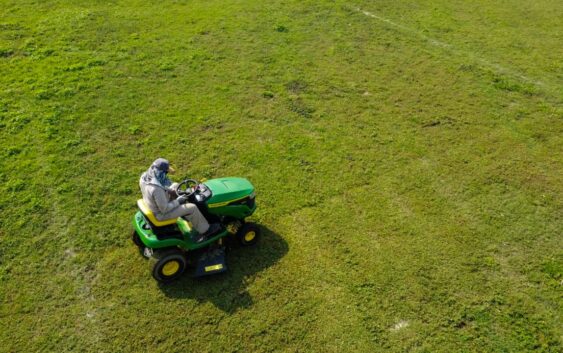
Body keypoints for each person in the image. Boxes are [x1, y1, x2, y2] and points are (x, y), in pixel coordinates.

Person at [139, 158, 221, 243]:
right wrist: (178, 201)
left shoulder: (144, 176)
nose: (167, 174)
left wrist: (173, 191)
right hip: (161, 214)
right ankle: (206, 230)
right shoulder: (156, 189)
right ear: (161, 172)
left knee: (175, 185)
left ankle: (186, 216)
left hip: (152, 203)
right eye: (166, 172)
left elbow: (161, 189)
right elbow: (165, 209)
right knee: (192, 207)